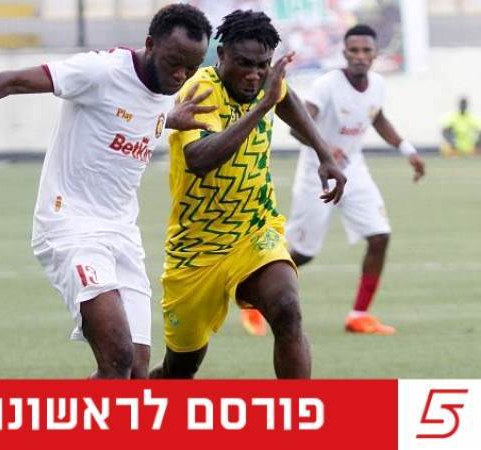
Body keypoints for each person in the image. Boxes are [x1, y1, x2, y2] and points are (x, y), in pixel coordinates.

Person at [0, 3, 215, 379]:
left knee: (135, 370)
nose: (180, 75)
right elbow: (14, 80)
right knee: (117, 355)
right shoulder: (100, 71)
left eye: (191, 68)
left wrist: (168, 118)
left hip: (122, 233)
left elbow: (133, 115)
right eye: (173, 63)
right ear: (150, 44)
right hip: (71, 225)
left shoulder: (166, 89)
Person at [150, 10, 346, 379]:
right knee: (180, 369)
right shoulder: (201, 89)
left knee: (287, 309)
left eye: (262, 65)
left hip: (254, 231)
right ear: (222, 54)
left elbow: (287, 98)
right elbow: (199, 159)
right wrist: (263, 106)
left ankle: (297, 413)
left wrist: (324, 154)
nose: (254, 74)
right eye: (244, 64)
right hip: (196, 248)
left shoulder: (264, 85)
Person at [282, 24, 425, 335]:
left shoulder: (377, 84)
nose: (360, 56)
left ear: (375, 54)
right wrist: (324, 148)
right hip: (318, 174)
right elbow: (296, 125)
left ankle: (359, 315)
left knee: (380, 236)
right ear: (344, 52)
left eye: (366, 51)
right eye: (354, 50)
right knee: (303, 253)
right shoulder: (326, 85)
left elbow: (378, 117)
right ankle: (252, 301)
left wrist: (407, 149)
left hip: (354, 170)